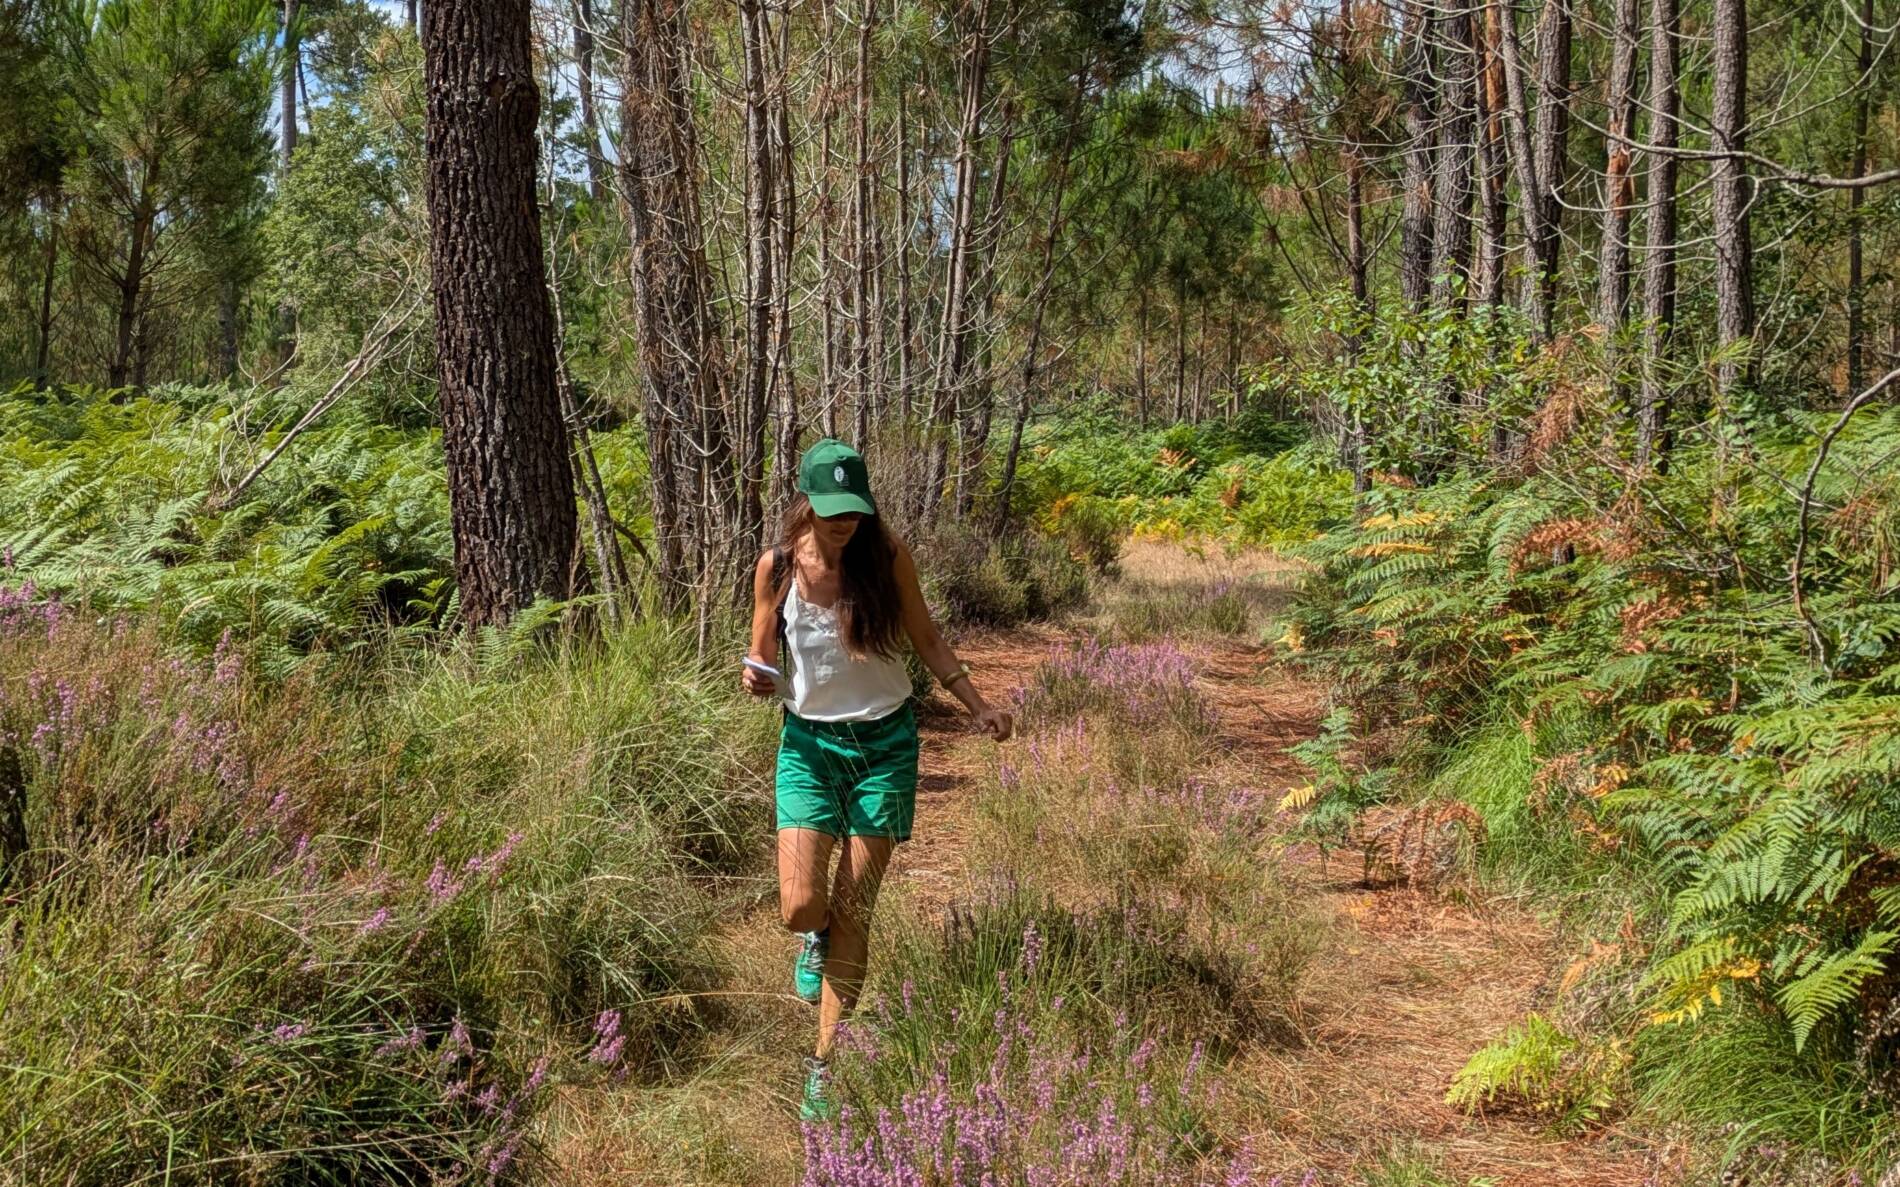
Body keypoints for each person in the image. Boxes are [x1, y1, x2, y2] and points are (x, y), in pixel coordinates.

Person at [743, 439, 1013, 1121]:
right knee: (802, 905)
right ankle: (815, 934)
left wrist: (977, 705)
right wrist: (756, 675)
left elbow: (927, 638)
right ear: (805, 501)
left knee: (855, 907)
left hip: (885, 747)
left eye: (854, 509)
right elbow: (761, 654)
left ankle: (825, 1067)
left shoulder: (886, 555)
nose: (845, 522)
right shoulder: (776, 566)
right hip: (808, 747)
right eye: (832, 510)